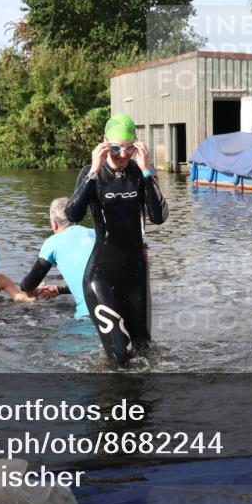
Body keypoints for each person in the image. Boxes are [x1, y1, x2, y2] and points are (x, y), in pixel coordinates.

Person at [65, 113, 168, 364]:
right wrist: (94, 171)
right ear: (104, 144)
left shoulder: (140, 173)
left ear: (137, 145)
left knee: (145, 354)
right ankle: (115, 403)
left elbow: (159, 216)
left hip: (135, 275)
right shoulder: (92, 173)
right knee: (121, 358)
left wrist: (147, 170)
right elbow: (72, 215)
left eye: (129, 148)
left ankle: (141, 404)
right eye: (115, 148)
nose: (122, 155)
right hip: (102, 275)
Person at [16, 197, 96, 319]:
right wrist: (59, 290)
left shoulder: (53, 242)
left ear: (54, 223)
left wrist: (25, 287)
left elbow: (30, 284)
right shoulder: (95, 233)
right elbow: (95, 280)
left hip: (90, 316)